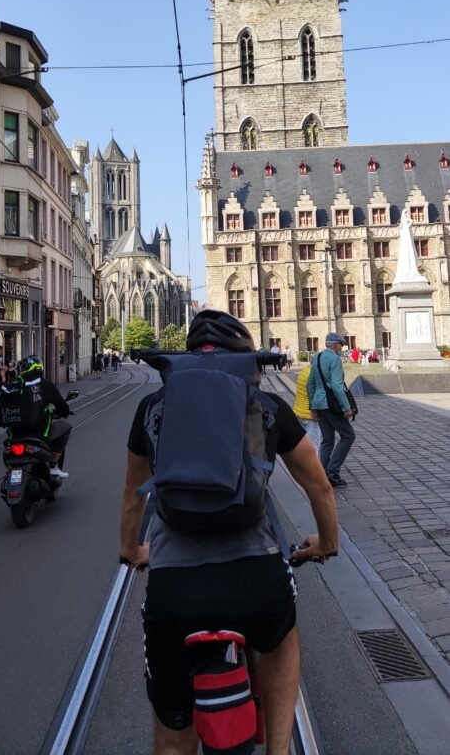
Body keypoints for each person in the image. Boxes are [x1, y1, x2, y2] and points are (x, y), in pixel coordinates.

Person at [120, 309, 338, 755]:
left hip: (174, 590)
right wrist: (326, 544)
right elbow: (319, 484)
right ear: (245, 359)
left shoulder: (152, 408)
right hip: (255, 582)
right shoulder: (269, 408)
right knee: (281, 638)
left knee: (171, 738)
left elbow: (131, 496)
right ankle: (279, 749)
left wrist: (132, 550)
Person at [7, 356, 73, 478]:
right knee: (66, 427)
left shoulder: (13, 386)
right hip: (39, 433)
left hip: (15, 435)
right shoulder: (45, 385)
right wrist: (64, 412)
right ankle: (53, 465)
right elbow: (62, 406)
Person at [307, 332, 356, 488]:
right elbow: (336, 385)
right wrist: (346, 407)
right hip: (331, 404)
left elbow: (310, 384)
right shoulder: (334, 359)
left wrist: (312, 406)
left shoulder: (317, 358)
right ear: (335, 345)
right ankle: (332, 471)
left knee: (327, 440)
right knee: (348, 435)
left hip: (319, 404)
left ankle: (321, 472)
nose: (341, 348)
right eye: (340, 345)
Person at [293, 362, 321, 453]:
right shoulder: (313, 375)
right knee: (314, 444)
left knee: (303, 442)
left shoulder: (304, 371)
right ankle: (313, 466)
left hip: (299, 411)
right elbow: (314, 395)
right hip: (310, 414)